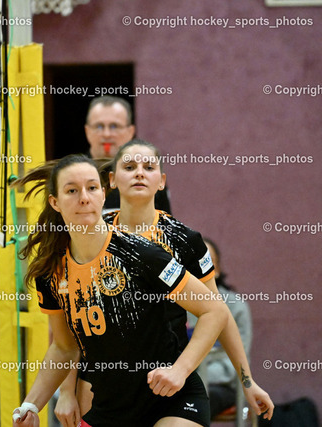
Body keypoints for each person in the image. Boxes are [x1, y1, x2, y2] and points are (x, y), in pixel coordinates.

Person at [55, 140, 273, 426]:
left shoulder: (184, 240)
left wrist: (247, 381)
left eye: (149, 167)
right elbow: (74, 321)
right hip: (105, 386)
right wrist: (66, 390)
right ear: (112, 180)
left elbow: (217, 311)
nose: (139, 173)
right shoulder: (89, 236)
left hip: (167, 382)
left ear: (162, 181)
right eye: (129, 167)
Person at [11, 154, 229, 427]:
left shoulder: (142, 254)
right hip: (110, 408)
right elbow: (64, 348)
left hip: (170, 400)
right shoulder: (51, 272)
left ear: (103, 194)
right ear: (55, 202)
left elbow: (215, 310)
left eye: (92, 188)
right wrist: (31, 405)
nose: (84, 198)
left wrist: (180, 370)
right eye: (72, 191)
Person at [188, 238, 253, 419]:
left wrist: (189, 375)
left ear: (217, 269)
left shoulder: (235, 307)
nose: (199, 267)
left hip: (220, 385)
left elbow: (234, 365)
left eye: (206, 261)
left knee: (191, 402)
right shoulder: (172, 306)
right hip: (178, 381)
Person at [83, 96, 170, 213]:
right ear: (87, 131)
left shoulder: (148, 177)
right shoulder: (71, 173)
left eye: (114, 126)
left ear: (131, 131)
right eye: (99, 126)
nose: (107, 134)